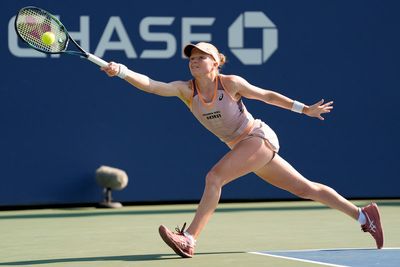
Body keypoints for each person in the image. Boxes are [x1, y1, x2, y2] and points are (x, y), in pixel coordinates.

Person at [101, 42, 384, 258]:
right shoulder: (186, 91)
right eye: (192, 58)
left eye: (202, 57)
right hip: (241, 147)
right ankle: (364, 215)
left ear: (216, 64)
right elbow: (153, 86)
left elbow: (267, 96)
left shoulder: (231, 83)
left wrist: (304, 109)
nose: (195, 61)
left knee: (214, 178)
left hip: (257, 138)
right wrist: (122, 71)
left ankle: (189, 238)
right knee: (304, 189)